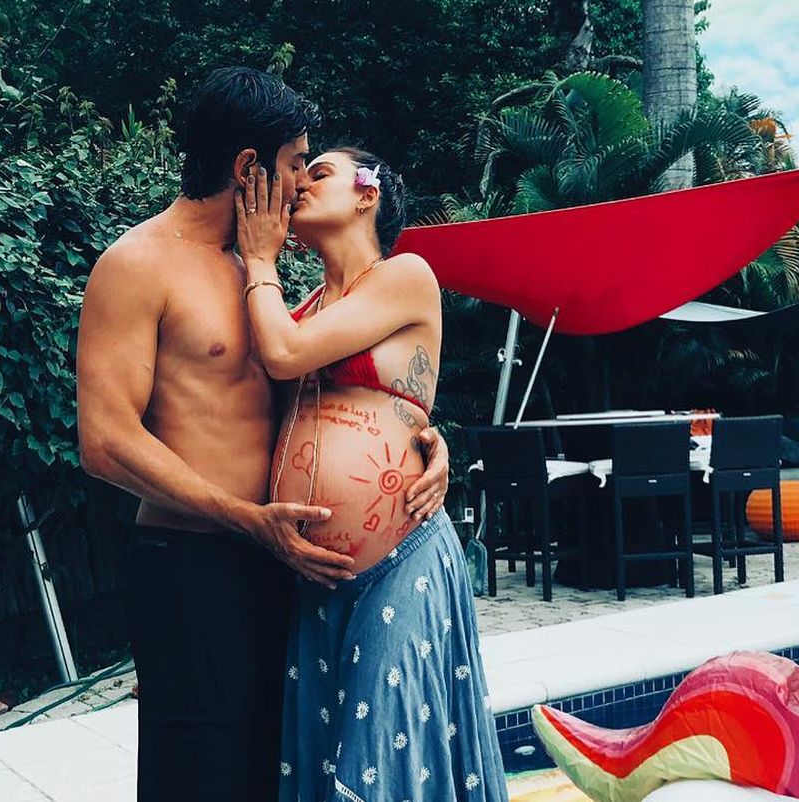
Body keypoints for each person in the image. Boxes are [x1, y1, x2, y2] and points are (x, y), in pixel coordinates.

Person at [75, 68, 450, 802]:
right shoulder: (137, 265)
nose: (303, 183)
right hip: (195, 564)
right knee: (201, 778)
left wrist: (431, 444)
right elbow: (106, 440)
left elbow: (343, 395)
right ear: (249, 167)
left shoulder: (268, 280)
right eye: (296, 164)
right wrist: (248, 520)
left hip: (287, 564)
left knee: (281, 773)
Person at [236, 147, 508, 800]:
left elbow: (284, 355)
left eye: (319, 172)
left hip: (400, 559)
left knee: (379, 761)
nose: (300, 184)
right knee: (332, 763)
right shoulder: (303, 306)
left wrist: (258, 261)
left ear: (368, 194)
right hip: (316, 578)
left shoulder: (404, 274)